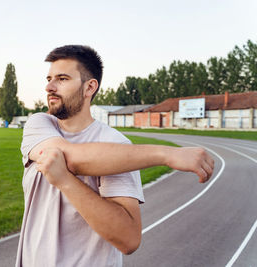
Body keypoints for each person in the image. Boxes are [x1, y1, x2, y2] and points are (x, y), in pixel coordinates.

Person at [15, 45, 214, 267]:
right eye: (49, 78)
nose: (49, 87)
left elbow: (129, 239)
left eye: (62, 79)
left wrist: (65, 181)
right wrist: (165, 154)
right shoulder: (39, 124)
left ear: (89, 87)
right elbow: (68, 155)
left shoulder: (118, 146)